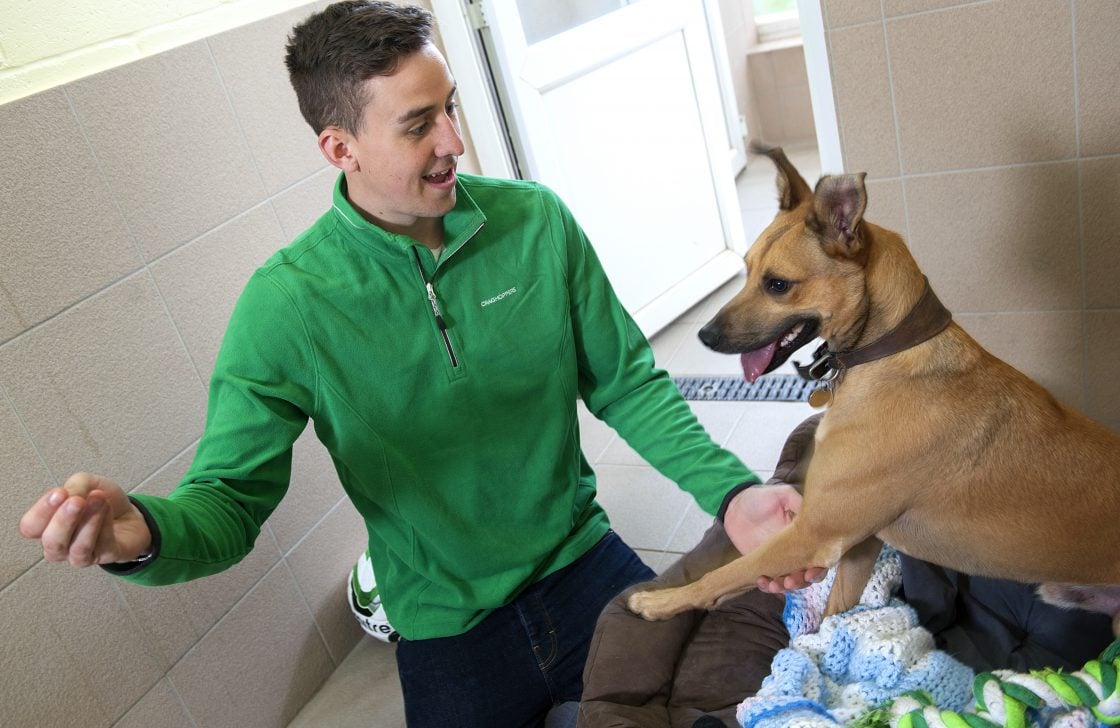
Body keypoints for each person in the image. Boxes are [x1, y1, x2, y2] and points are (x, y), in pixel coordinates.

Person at [17, 2, 820, 726]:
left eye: (451, 109)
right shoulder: (288, 305)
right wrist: (147, 535)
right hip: (445, 624)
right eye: (417, 125)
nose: (453, 142)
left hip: (582, 562)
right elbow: (229, 503)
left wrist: (734, 492)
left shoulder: (535, 224)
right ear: (340, 147)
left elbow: (626, 383)